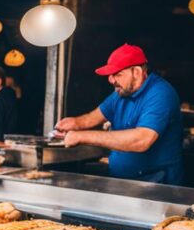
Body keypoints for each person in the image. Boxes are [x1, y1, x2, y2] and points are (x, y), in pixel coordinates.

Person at [55, 44, 184, 185]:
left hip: (156, 185)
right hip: (124, 182)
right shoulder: (121, 92)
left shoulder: (160, 93)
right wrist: (74, 123)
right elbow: (93, 117)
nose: (111, 80)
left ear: (137, 72)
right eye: (110, 75)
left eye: (118, 74)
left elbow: (141, 140)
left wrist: (82, 136)